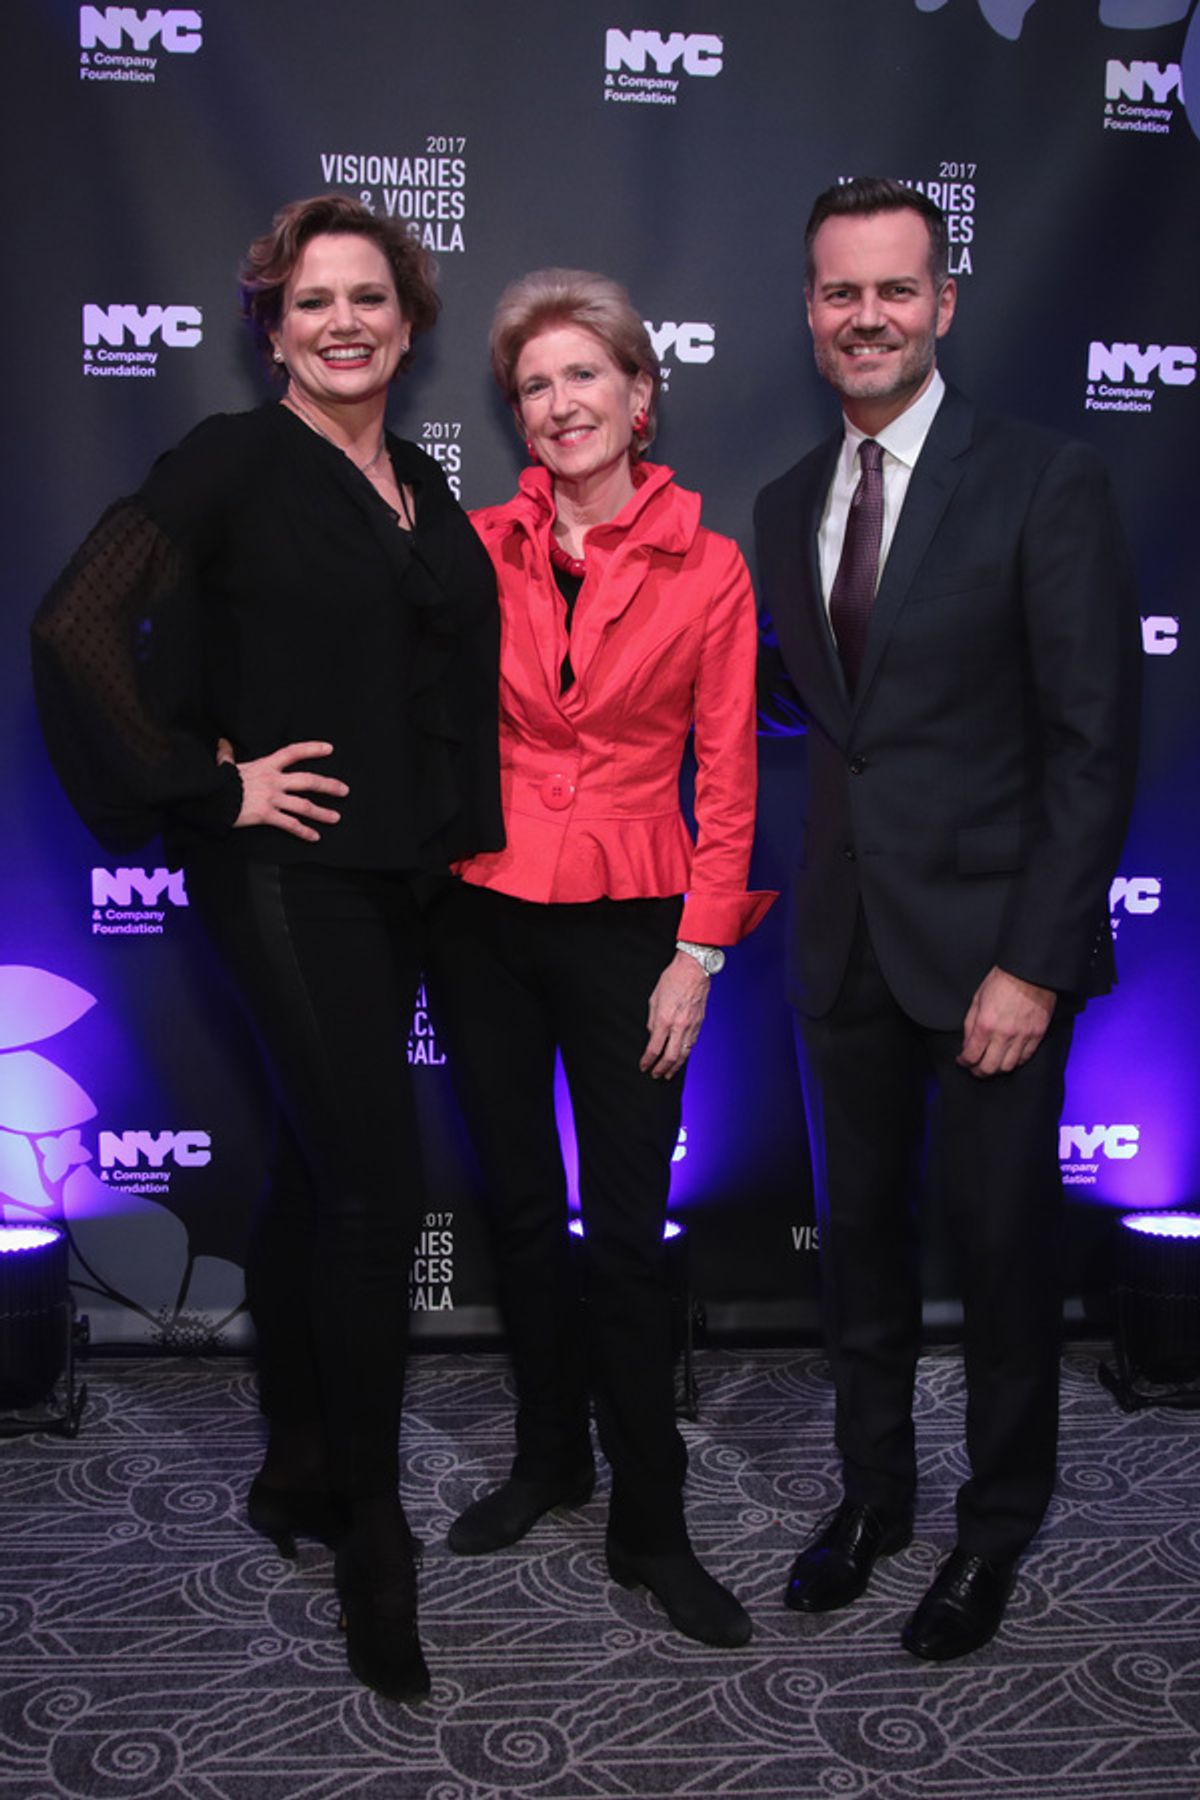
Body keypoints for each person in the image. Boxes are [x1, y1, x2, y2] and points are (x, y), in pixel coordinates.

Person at [31, 194, 503, 1702]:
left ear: (411, 321)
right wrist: (203, 781)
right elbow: (76, 623)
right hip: (286, 876)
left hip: (407, 884)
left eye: (371, 297)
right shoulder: (238, 460)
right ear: (271, 325)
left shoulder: (423, 483)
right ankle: (376, 1533)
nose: (345, 322)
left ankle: (296, 1462)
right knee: (379, 1186)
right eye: (312, 302)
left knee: (314, 1171)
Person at [754, 178, 1140, 1661]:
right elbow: (838, 727)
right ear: (809, 311)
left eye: (894, 291)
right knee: (858, 1250)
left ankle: (993, 1534)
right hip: (842, 944)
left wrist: (1032, 965)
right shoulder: (791, 501)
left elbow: (1094, 745)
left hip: (992, 960)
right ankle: (872, 1504)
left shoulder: (1045, 481)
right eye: (840, 293)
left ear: (944, 305)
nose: (867, 317)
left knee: (998, 1258)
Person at [427, 269, 773, 1648]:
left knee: (625, 1234)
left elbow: (731, 776)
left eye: (584, 377)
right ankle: (548, 1457)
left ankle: (654, 1522)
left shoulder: (713, 563)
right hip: (485, 915)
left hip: (639, 922)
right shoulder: (473, 545)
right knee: (519, 1209)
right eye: (533, 387)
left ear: (640, 395)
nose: (559, 405)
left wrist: (699, 952)